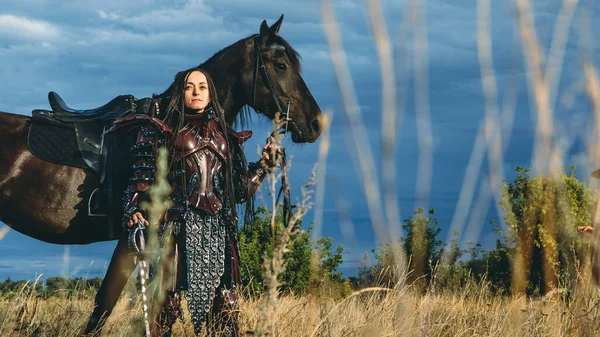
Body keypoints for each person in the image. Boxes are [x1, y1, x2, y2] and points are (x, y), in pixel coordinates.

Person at [108, 67, 279, 336]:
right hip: (176, 229)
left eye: (202, 86)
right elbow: (140, 179)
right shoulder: (160, 130)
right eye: (189, 86)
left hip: (219, 230)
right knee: (164, 306)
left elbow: (239, 191)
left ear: (211, 93)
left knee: (227, 308)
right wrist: (134, 209)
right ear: (181, 92)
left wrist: (265, 166)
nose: (196, 91)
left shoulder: (227, 136)